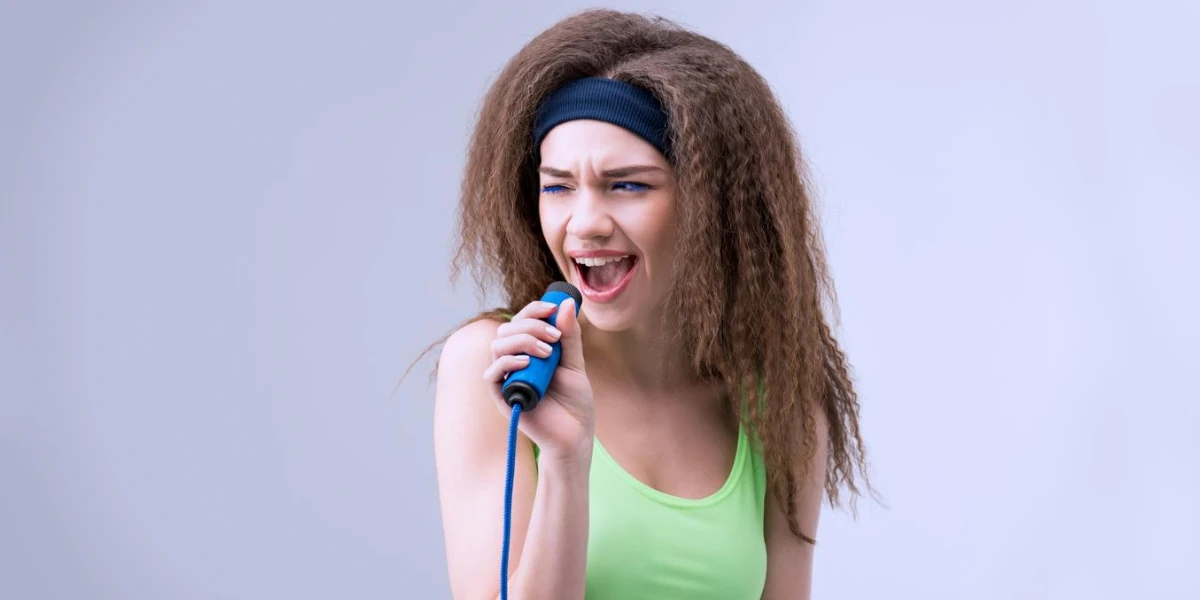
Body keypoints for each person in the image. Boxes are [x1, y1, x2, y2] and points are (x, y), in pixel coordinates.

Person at [430, 8, 870, 599]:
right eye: (557, 186)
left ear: (711, 208)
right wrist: (563, 458)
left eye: (628, 184)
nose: (583, 224)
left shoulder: (781, 405)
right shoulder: (498, 370)